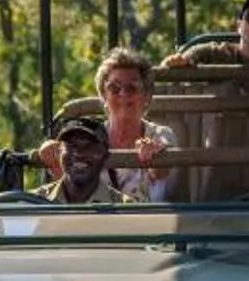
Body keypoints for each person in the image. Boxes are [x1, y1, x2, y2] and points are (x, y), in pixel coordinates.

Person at [33, 48, 178, 200]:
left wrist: (153, 153)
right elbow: (65, 186)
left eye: (132, 88)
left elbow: (161, 169)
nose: (123, 94)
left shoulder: (159, 135)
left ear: (147, 96)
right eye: (114, 88)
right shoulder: (88, 136)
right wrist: (51, 150)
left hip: (145, 221)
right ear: (104, 96)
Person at [41, 116, 127, 204]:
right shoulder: (33, 203)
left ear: (105, 155)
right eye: (71, 145)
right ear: (59, 152)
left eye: (89, 146)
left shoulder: (125, 209)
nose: (79, 153)